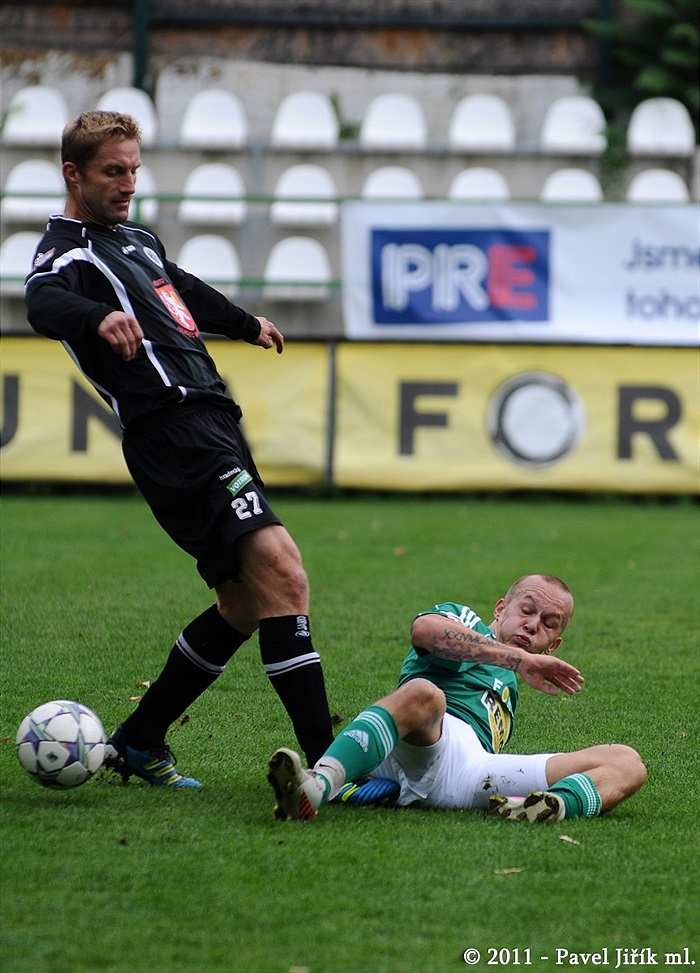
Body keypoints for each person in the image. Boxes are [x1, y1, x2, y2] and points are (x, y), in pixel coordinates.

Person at [24, 110, 335, 788]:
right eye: (113, 170)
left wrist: (244, 322)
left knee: (245, 603)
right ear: (73, 174)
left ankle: (139, 739)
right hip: (171, 431)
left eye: (134, 168)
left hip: (214, 418)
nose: (128, 182)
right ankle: (336, 766)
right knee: (283, 571)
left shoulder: (135, 238)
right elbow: (41, 302)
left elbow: (183, 291)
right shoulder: (65, 252)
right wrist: (96, 316)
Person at [267, 574, 647, 822]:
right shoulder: (465, 619)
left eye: (548, 623)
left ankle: (549, 807)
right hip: (417, 741)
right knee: (424, 694)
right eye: (527, 610)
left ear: (555, 644)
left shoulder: (511, 683)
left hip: (470, 773)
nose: (532, 625)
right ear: (501, 608)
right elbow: (425, 632)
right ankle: (317, 786)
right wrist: (518, 658)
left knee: (627, 763)